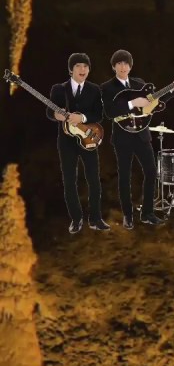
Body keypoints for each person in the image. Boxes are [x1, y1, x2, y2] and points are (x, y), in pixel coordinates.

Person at [101, 49, 174, 228]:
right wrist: (132, 103)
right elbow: (109, 111)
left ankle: (147, 213)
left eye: (126, 64)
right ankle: (128, 216)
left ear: (130, 66)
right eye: (119, 64)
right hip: (122, 136)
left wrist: (172, 90)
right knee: (124, 175)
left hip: (142, 135)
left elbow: (153, 103)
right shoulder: (107, 87)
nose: (123, 67)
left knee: (152, 172)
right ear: (114, 66)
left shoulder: (139, 83)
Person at [47, 53, 109, 234]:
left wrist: (82, 117)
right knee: (69, 181)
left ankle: (96, 219)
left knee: (94, 180)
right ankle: (76, 219)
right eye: (78, 66)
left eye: (86, 67)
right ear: (70, 70)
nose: (82, 70)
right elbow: (49, 111)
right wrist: (55, 115)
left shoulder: (95, 89)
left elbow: (99, 114)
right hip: (66, 142)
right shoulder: (59, 89)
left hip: (89, 138)